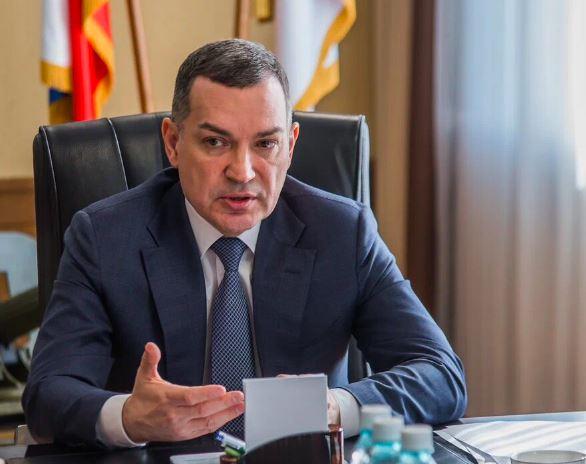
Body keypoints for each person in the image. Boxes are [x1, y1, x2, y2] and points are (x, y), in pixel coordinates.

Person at [23, 39, 467, 447]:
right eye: (216, 142)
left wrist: (333, 407)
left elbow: (440, 375)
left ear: (290, 146)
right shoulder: (104, 237)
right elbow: (47, 393)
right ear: (173, 143)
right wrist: (128, 417)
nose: (243, 172)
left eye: (265, 144)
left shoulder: (342, 232)